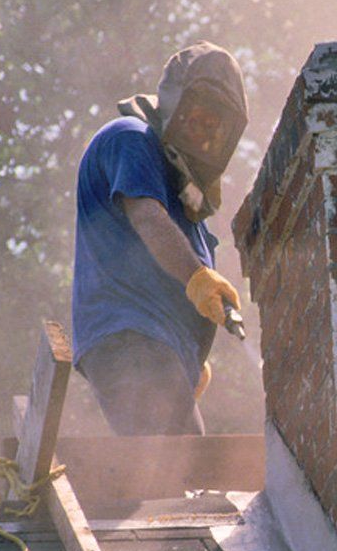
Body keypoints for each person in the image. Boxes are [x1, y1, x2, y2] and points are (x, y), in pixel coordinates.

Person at [71, 41, 247, 435]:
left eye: (213, 126)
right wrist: (198, 278)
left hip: (158, 349)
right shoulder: (131, 138)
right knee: (181, 465)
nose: (202, 132)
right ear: (175, 105)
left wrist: (189, 354)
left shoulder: (183, 195)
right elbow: (148, 219)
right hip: (131, 336)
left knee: (188, 465)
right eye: (196, 118)